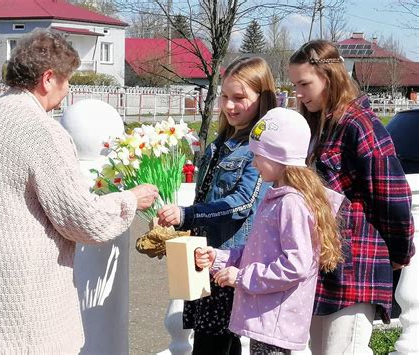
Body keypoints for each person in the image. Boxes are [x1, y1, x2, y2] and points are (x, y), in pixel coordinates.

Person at [0, 28, 159, 353]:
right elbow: (82, 220)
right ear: (48, 78)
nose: (69, 88)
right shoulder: (42, 131)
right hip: (20, 287)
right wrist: (130, 199)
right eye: (67, 79)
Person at [288, 39, 415, 354]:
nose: (299, 93)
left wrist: (400, 252)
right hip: (323, 265)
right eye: (295, 85)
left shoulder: (360, 125)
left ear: (329, 77)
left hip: (357, 264)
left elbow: (392, 195)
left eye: (305, 84)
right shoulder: (318, 127)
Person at [195, 107, 345, 354]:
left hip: (274, 322)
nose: (253, 163)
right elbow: (260, 251)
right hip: (267, 318)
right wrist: (221, 258)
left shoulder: (290, 203)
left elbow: (295, 265)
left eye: (258, 155)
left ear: (280, 157)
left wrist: (241, 278)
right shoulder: (279, 198)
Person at [158, 57, 277, 355]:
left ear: (262, 100)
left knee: (215, 345)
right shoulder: (220, 142)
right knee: (213, 343)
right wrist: (181, 231)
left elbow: (242, 203)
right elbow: (206, 198)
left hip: (230, 260)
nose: (229, 105)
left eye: (240, 98)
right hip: (205, 260)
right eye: (225, 96)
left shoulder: (258, 148)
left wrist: (188, 215)